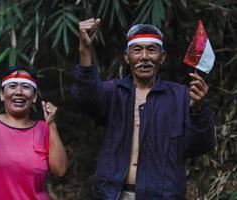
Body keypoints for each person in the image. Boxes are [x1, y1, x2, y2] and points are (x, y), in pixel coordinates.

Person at [72, 18, 215, 199]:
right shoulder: (114, 92)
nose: (144, 57)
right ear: (127, 57)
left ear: (162, 57)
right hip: (114, 194)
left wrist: (198, 111)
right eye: (137, 50)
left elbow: (199, 146)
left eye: (152, 50)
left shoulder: (182, 96)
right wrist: (84, 49)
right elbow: (85, 98)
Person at [0, 66, 68, 200]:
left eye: (25, 87)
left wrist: (52, 124)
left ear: (34, 97)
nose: (19, 92)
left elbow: (60, 170)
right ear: (1, 95)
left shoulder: (44, 128)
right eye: (12, 86)